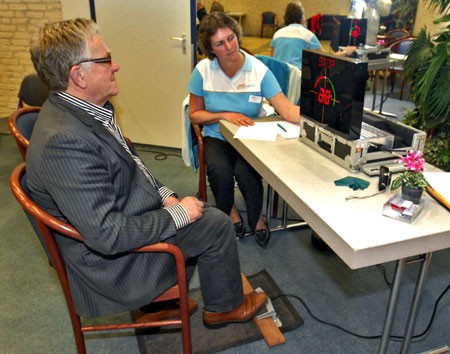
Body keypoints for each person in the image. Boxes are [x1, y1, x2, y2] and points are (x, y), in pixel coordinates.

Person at [27, 18, 267, 329]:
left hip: (120, 220)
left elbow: (130, 163)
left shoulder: (83, 110)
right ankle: (223, 308)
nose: (116, 67)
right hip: (112, 267)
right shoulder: (64, 140)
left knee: (193, 210)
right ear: (78, 76)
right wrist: (178, 214)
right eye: (106, 60)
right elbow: (108, 236)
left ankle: (159, 306)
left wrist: (166, 197)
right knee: (214, 223)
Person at [188, 12, 301, 247]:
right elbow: (195, 114)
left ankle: (257, 217)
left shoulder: (258, 70)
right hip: (216, 135)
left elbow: (286, 109)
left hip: (250, 136)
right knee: (220, 171)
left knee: (248, 174)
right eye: (220, 43)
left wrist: (319, 117)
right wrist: (223, 115)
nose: (229, 46)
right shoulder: (202, 71)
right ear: (211, 49)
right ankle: (230, 213)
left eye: (231, 38)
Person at [271, 1, 356, 71]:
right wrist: (346, 52)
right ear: (302, 18)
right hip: (297, 81)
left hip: (278, 79)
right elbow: (326, 58)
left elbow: (272, 59)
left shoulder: (277, 34)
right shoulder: (307, 35)